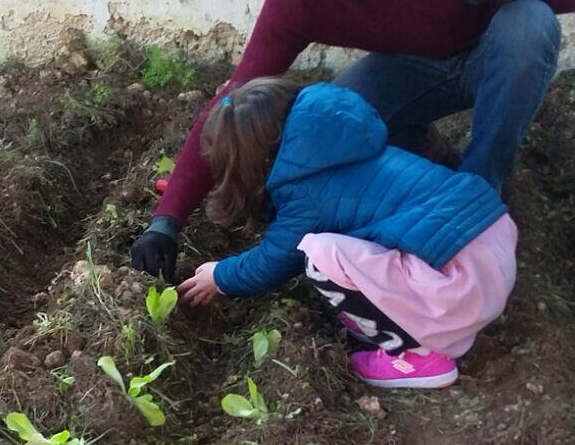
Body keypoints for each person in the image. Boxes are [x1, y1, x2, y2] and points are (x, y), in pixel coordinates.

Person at [131, 0, 575, 283]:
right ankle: (420, 153)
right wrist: (166, 220)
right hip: (407, 74)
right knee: (332, 125)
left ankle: (478, 190)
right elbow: (237, 94)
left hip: (492, 58)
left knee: (530, 22)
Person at [177, 76, 517, 388]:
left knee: (319, 255)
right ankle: (408, 319)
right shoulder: (338, 140)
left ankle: (416, 357)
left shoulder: (306, 191)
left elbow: (274, 260)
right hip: (492, 246)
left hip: (461, 287)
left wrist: (220, 276)